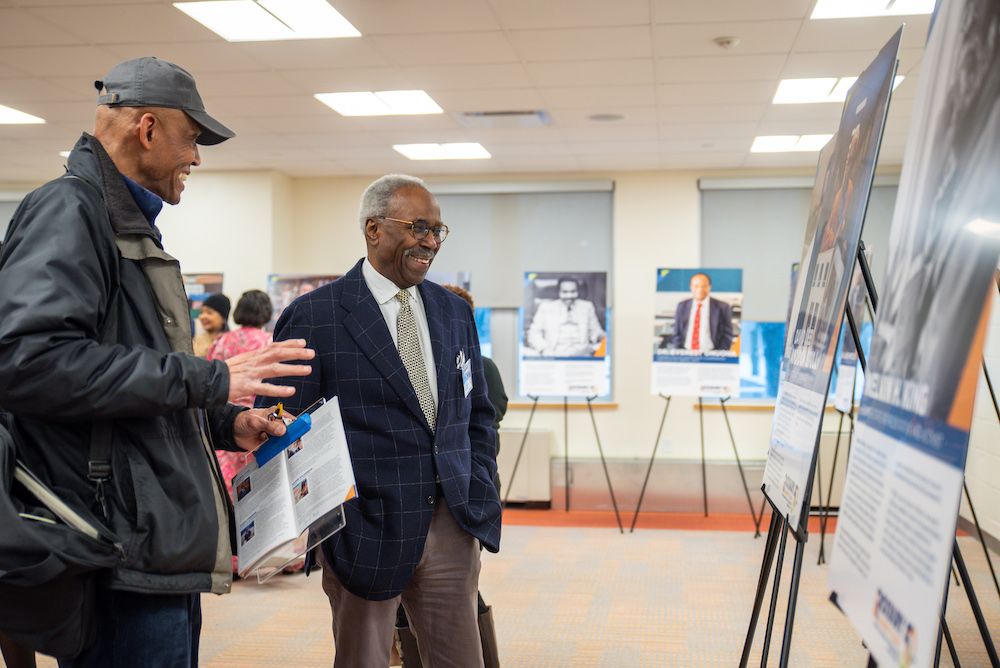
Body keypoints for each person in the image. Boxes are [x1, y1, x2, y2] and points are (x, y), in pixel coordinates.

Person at [0, 56, 313, 666]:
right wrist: (209, 377)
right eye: (191, 138)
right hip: (116, 547)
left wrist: (225, 421)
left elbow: (126, 386)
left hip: (151, 545)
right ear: (147, 129)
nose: (196, 157)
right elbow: (28, 362)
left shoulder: (126, 224)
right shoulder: (71, 210)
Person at [262, 174, 501, 668]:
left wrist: (477, 487)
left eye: (438, 230)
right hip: (364, 530)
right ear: (374, 229)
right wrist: (326, 528)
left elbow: (476, 415)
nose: (430, 242)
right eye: (418, 227)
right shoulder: (315, 316)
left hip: (451, 525)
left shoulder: (454, 312)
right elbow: (288, 430)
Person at [525, 277, 605, 357]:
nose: (569, 296)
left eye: (573, 291)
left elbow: (595, 332)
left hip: (582, 354)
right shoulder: (545, 307)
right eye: (565, 292)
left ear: (578, 292)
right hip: (554, 354)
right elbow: (533, 334)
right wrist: (544, 349)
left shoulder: (587, 307)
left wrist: (601, 337)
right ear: (558, 292)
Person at [666, 272, 734, 351]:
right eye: (696, 286)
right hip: (686, 352)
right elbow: (676, 332)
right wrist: (680, 351)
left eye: (704, 286)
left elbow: (727, 335)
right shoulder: (682, 306)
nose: (700, 289)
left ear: (709, 287)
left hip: (711, 354)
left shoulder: (722, 307)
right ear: (691, 287)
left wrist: (718, 354)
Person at [193, 292, 230, 357]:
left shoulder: (229, 342)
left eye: (209, 313)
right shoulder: (197, 340)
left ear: (223, 318)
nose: (202, 317)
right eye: (201, 312)